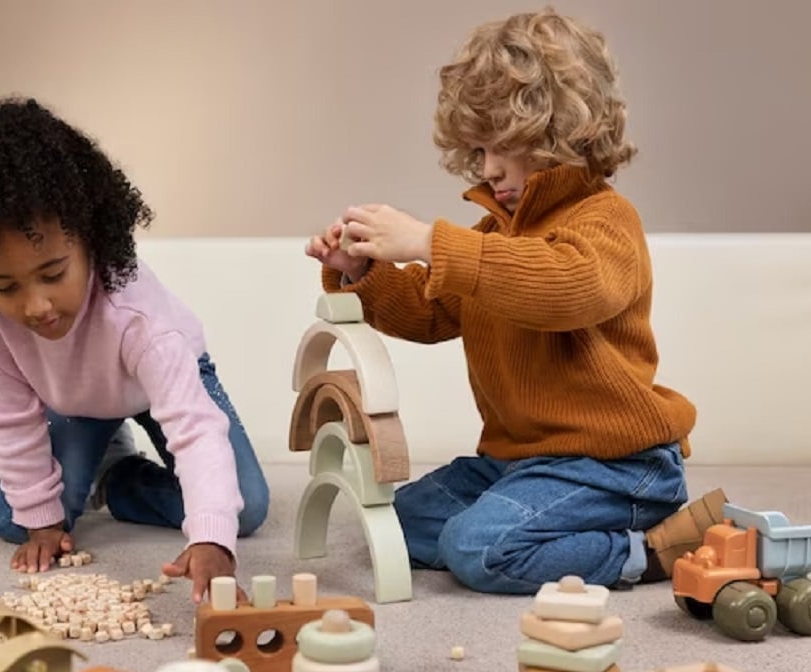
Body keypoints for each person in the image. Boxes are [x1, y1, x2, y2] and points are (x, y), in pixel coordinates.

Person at [305, 8, 715, 595]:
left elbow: (569, 287)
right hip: (519, 461)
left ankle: (648, 551)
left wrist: (429, 240)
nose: (488, 169)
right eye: (478, 150)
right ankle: (541, 522)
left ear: (559, 135)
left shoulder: (605, 220)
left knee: (478, 549)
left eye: (504, 147)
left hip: (615, 464)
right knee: (396, 523)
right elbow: (433, 311)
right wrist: (363, 272)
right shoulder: (493, 235)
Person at [0, 94, 268, 603]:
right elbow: (10, 415)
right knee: (29, 517)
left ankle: (112, 475)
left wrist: (209, 539)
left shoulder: (139, 317)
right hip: (71, 401)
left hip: (161, 383)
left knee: (242, 511)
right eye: (5, 286)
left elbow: (195, 427)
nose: (37, 305)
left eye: (53, 274)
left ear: (90, 238)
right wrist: (41, 519)